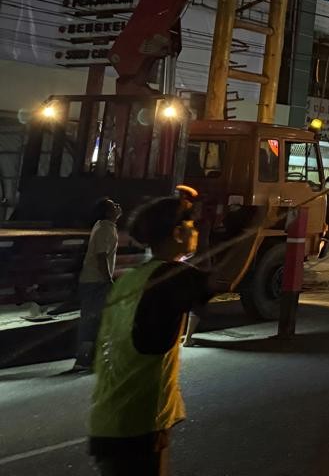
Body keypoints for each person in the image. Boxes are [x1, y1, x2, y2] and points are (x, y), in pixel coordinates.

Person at [88, 196, 213, 475]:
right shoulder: (171, 275)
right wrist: (256, 226)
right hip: (140, 420)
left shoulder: (131, 278)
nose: (195, 231)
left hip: (108, 416)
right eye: (192, 226)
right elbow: (223, 281)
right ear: (177, 233)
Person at [74, 198, 121, 371]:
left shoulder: (105, 227)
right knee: (92, 319)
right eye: (114, 206)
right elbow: (101, 257)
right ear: (108, 212)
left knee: (96, 318)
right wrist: (108, 279)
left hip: (93, 280)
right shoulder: (104, 229)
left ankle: (91, 357)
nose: (118, 207)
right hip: (95, 280)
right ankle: (84, 358)